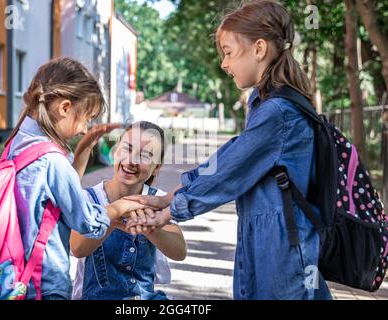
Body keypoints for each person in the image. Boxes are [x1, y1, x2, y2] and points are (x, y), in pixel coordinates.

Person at [124, 1, 332, 300]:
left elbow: (230, 171)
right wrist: (168, 199)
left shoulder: (278, 112)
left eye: (229, 52)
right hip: (267, 237)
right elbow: (233, 157)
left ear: (258, 49)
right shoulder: (265, 105)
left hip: (282, 245)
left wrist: (168, 212)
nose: (224, 63)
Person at [6, 57, 148, 300]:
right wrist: (120, 207)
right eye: (85, 118)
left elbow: (56, 198)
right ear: (64, 108)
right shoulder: (52, 161)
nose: (84, 128)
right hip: (42, 285)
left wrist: (82, 152)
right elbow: (88, 224)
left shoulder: (16, 142)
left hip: (10, 278)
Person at [71, 121, 186, 300]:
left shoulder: (158, 201)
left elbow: (179, 251)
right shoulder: (90, 199)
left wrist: (150, 227)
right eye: (127, 148)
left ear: (156, 167)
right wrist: (115, 216)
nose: (132, 161)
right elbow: (77, 248)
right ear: (115, 151)